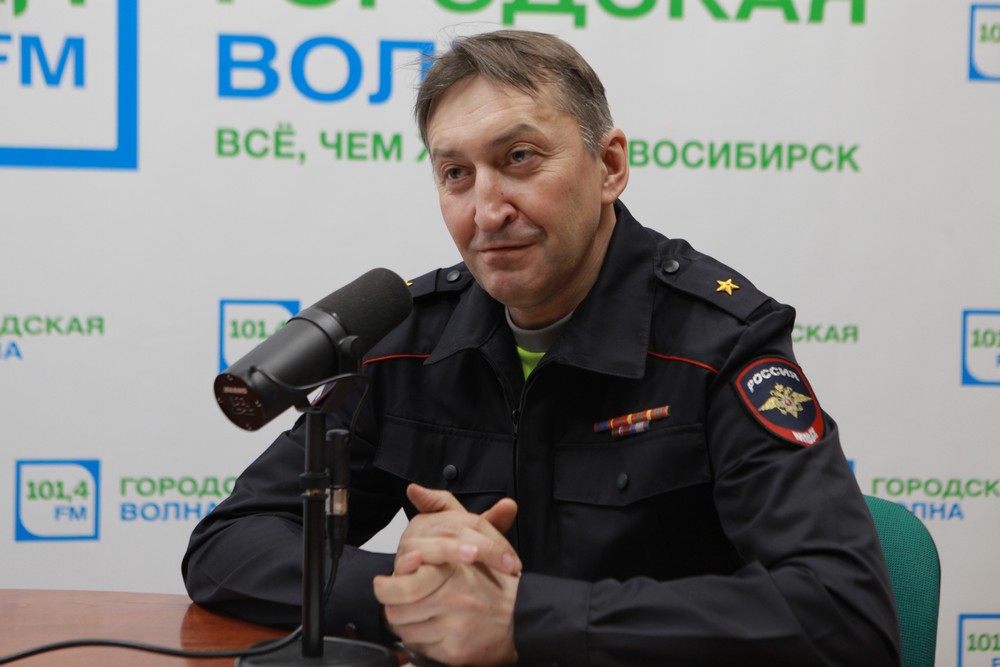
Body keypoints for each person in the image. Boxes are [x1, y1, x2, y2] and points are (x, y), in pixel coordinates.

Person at [183, 29, 901, 667]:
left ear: (609, 165)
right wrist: (412, 595)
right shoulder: (406, 341)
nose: (487, 210)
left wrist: (526, 619)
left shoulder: (719, 342)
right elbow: (229, 542)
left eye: (520, 157)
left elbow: (844, 612)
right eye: (456, 174)